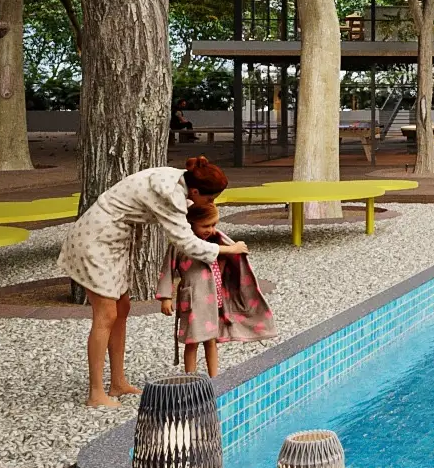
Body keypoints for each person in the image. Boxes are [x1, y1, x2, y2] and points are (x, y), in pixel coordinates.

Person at [58, 156, 250, 407]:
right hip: (95, 240)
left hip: (113, 240)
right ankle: (96, 393)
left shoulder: (178, 178)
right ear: (195, 192)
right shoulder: (171, 195)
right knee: (106, 314)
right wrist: (228, 249)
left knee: (122, 307)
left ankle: (117, 382)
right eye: (210, 199)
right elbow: (186, 243)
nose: (211, 204)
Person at [158, 200, 274, 377]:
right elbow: (168, 269)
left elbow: (219, 258)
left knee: (211, 340)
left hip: (213, 299)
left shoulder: (214, 240)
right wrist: (165, 297)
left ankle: (214, 377)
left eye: (214, 225)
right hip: (194, 300)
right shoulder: (180, 243)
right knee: (192, 341)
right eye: (206, 225)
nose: (211, 230)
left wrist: (232, 252)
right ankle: (191, 378)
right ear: (191, 223)